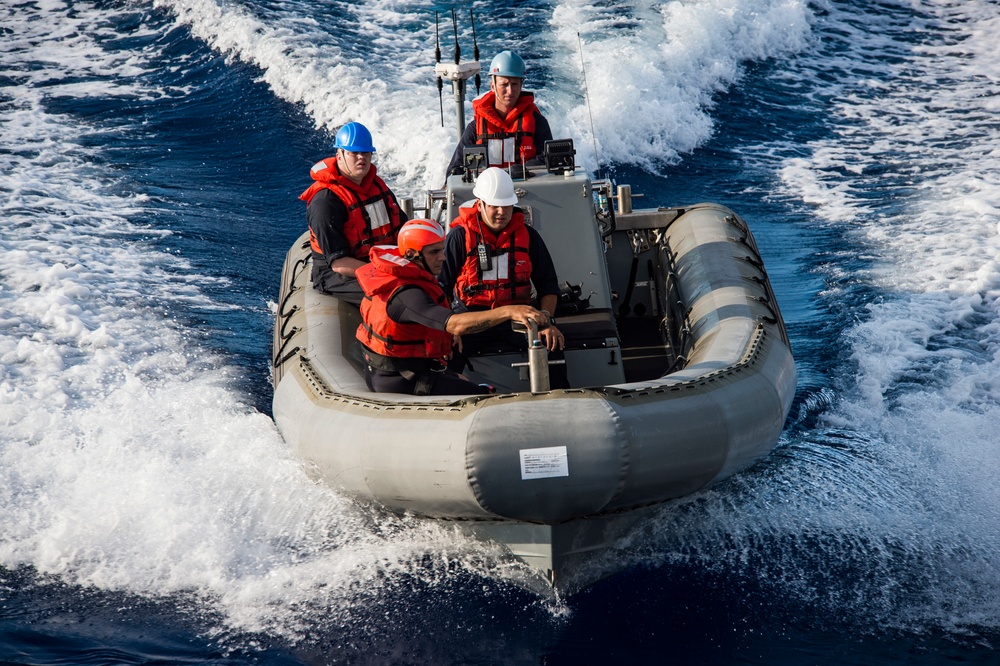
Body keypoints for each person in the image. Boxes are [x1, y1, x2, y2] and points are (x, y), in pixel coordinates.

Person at [355, 219, 549, 396]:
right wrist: (509, 311)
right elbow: (455, 324)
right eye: (434, 252)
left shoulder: (407, 275)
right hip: (401, 379)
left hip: (411, 368)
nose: (443, 257)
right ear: (411, 254)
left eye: (441, 250)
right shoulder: (407, 295)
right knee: (486, 396)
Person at [439, 167, 567, 378]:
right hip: (472, 318)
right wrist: (448, 330)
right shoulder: (459, 238)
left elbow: (548, 283)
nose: (502, 212)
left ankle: (558, 401)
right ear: (479, 204)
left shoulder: (529, 236)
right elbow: (441, 288)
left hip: (518, 318)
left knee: (550, 343)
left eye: (507, 205)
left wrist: (546, 321)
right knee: (445, 352)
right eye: (495, 206)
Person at [299, 121, 406, 305]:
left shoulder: (377, 186)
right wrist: (385, 272)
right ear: (339, 155)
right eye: (353, 153)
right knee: (397, 297)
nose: (360, 158)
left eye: (365, 153)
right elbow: (339, 263)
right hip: (338, 274)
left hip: (381, 260)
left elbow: (403, 228)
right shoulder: (326, 202)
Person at [444, 50, 554, 177]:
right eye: (504, 84)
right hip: (486, 194)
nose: (510, 90)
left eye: (514, 84)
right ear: (493, 86)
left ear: (521, 85)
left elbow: (547, 160)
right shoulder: (475, 128)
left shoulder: (538, 123)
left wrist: (515, 172)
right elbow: (454, 170)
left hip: (528, 193)